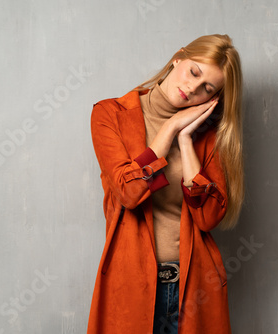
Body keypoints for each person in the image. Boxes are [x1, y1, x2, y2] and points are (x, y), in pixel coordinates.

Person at [87, 34, 244, 334]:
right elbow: (129, 192)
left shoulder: (207, 137)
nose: (192, 88)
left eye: (206, 88)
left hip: (193, 286)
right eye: (193, 72)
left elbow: (208, 217)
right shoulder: (110, 114)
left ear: (213, 99)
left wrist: (185, 141)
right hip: (131, 284)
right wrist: (170, 128)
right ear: (179, 58)